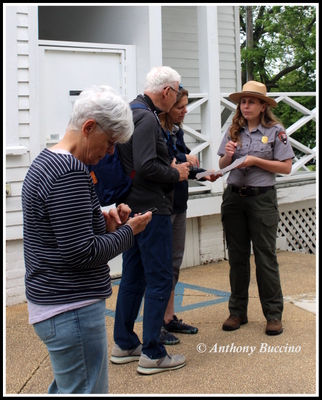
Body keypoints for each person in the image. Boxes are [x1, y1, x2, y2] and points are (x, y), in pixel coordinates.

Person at [21, 85, 152, 394]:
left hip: (53, 304)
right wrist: (128, 232)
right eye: (109, 143)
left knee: (69, 388)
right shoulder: (70, 171)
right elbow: (81, 254)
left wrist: (103, 226)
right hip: (71, 307)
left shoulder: (46, 161)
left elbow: (62, 238)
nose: (109, 153)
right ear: (89, 127)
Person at [110, 66, 190, 375]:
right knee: (159, 278)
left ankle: (125, 343)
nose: (177, 99)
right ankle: (153, 353)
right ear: (167, 92)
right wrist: (177, 173)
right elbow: (145, 166)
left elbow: (139, 162)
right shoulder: (146, 117)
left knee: (134, 276)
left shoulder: (132, 111)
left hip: (134, 208)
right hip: (152, 211)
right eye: (177, 91)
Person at [217, 80, 295, 336]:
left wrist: (255, 160)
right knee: (237, 258)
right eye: (243, 101)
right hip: (234, 198)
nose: (245, 105)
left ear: (263, 106)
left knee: (265, 258)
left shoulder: (275, 131)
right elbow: (221, 165)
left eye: (251, 101)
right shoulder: (233, 131)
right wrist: (229, 154)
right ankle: (237, 312)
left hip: (261, 199)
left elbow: (286, 167)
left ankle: (273, 315)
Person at [158, 85, 221, 345]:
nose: (185, 111)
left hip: (179, 205)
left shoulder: (176, 131)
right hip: (162, 208)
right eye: (180, 106)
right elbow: (160, 164)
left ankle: (169, 318)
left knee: (173, 265)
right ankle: (155, 325)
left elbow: (182, 167)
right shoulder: (155, 132)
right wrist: (182, 158)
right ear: (166, 106)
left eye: (185, 106)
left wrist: (203, 173)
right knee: (159, 268)